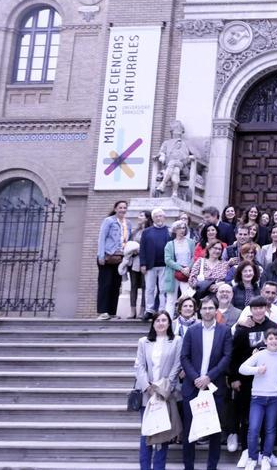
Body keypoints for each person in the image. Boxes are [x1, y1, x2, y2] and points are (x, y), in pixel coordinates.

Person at [180, 297, 233, 470]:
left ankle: (212, 466)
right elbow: (184, 357)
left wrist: (209, 377)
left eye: (211, 308)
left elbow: (227, 357)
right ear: (200, 311)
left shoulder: (224, 331)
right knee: (189, 429)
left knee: (214, 430)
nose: (208, 311)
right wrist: (196, 377)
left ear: (216, 310)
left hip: (214, 387)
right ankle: (189, 466)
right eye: (205, 308)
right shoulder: (192, 331)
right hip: (192, 386)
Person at [229, 296, 277, 466]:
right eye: (255, 308)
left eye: (261, 307)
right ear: (250, 310)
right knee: (246, 418)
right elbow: (234, 354)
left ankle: (267, 452)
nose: (258, 311)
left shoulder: (272, 326)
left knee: (267, 421)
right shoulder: (243, 328)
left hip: (267, 381)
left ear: (266, 308)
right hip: (245, 381)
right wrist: (234, 378)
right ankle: (246, 451)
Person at [135, 311, 183, 470]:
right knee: (146, 434)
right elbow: (139, 366)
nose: (161, 323)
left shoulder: (176, 341)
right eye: (157, 320)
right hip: (147, 395)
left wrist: (164, 388)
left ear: (169, 323)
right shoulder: (143, 342)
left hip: (165, 394)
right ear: (153, 323)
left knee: (162, 435)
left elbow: (177, 366)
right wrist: (147, 387)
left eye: (164, 320)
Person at [238, 327, 277, 470]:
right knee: (253, 429)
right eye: (270, 338)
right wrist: (257, 370)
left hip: (274, 398)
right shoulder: (259, 355)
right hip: (258, 397)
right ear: (265, 340)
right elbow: (242, 368)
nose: (274, 341)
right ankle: (252, 458)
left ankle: (266, 457)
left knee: (270, 429)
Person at [96, 200, 130, 320]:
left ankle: (112, 311)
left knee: (116, 285)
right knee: (105, 283)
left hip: (119, 258)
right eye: (120, 207)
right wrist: (101, 255)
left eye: (124, 208)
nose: (122, 210)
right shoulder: (109, 221)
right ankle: (103, 311)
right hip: (107, 256)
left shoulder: (127, 223)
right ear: (115, 209)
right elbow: (102, 238)